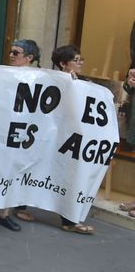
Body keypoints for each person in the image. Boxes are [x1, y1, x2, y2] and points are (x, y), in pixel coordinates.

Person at [0, 40, 42, 232]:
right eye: (11, 51)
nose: (11, 55)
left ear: (29, 58)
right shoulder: (1, 72)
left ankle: (4, 213)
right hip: (1, 129)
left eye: (16, 52)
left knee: (15, 170)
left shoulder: (39, 76)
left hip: (24, 132)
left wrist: (71, 78)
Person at [49, 45, 96, 234]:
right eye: (76, 60)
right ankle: (21, 207)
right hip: (52, 137)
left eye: (81, 59)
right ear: (63, 64)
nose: (80, 63)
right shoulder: (51, 80)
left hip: (71, 140)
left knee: (70, 175)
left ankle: (69, 219)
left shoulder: (84, 83)